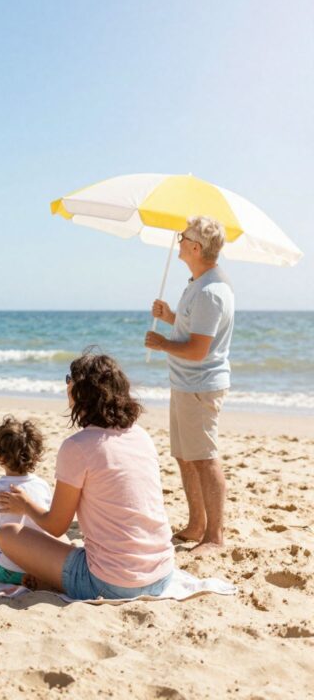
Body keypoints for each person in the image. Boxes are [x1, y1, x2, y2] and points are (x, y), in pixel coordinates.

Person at [0, 353, 175, 600]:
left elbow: (56, 526)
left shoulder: (78, 446)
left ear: (82, 393)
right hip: (162, 574)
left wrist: (25, 505)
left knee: (7, 535)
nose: (66, 384)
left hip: (111, 583)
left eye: (70, 379)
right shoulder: (141, 436)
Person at [145, 216, 234, 555]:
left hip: (199, 384)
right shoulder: (197, 282)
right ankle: (197, 524)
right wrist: (170, 316)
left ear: (196, 248)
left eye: (184, 237)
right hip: (184, 383)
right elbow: (193, 328)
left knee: (204, 458)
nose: (178, 241)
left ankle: (214, 536)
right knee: (185, 456)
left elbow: (198, 350)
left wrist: (161, 343)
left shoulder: (211, 291)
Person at [0, 416, 53, 586]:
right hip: (39, 566)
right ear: (35, 457)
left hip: (8, 568)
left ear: (0, 457)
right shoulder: (43, 486)